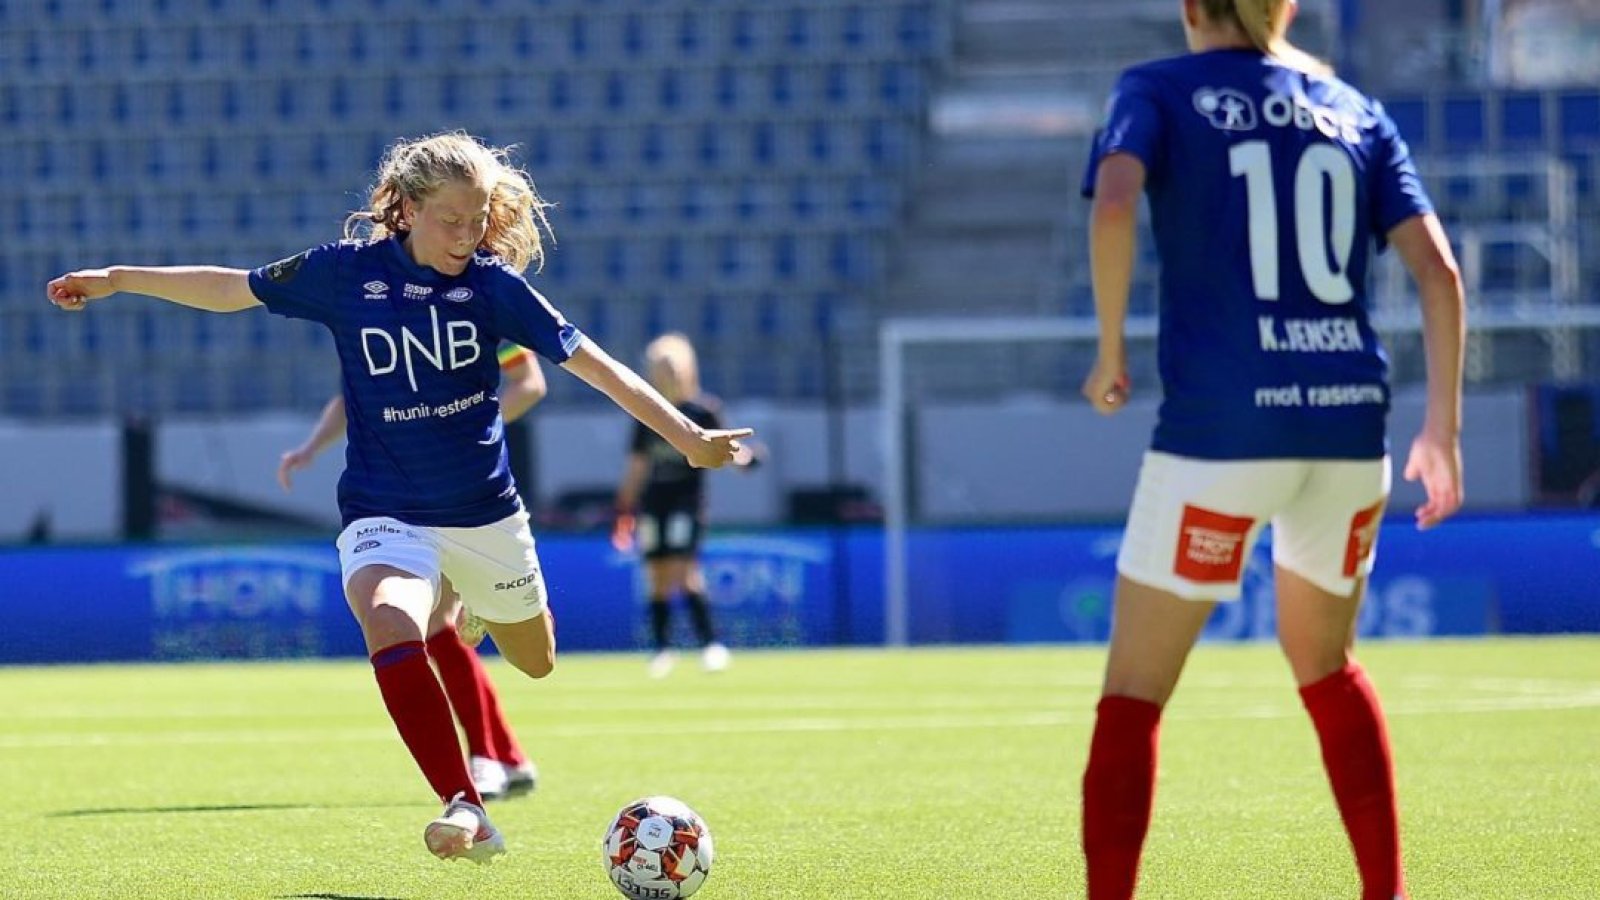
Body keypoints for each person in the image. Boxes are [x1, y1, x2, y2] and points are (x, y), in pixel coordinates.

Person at [47, 131, 752, 865]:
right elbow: (233, 288)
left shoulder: (494, 287)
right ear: (408, 209)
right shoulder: (344, 275)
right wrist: (119, 278)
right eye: (451, 218)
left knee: (535, 660)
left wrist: (687, 438)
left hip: (485, 514)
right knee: (388, 618)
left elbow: (599, 369)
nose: (467, 234)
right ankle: (464, 803)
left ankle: (481, 606)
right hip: (387, 511)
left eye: (478, 219)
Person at [1076, 3, 1465, 899]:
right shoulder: (1353, 107)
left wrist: (1109, 351)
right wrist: (1440, 428)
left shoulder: (1158, 88)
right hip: (1345, 427)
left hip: (1222, 431)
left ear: (1189, 7)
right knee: (1325, 666)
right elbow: (1438, 270)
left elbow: (1116, 199)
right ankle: (1386, 891)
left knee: (1134, 692)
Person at [277, 341, 547, 801]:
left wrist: (462, 431)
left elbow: (530, 384)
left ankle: (491, 755)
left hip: (466, 488)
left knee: (447, 627)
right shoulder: (372, 309)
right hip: (403, 498)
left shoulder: (473, 299)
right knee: (436, 624)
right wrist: (310, 448)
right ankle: (500, 754)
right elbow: (354, 399)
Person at [610, 333, 761, 678]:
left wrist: (748, 460)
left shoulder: (702, 410)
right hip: (653, 504)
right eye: (661, 367)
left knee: (684, 573)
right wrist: (623, 507)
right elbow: (638, 465)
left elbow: (729, 448)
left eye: (673, 366)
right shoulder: (647, 414)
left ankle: (710, 645)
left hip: (686, 502)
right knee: (657, 578)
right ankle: (662, 649)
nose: (669, 373)